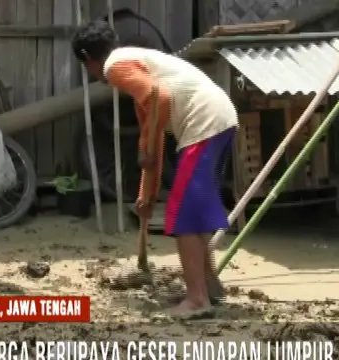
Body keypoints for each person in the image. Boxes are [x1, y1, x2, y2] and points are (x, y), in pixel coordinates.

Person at [73, 20, 238, 318]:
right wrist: (145, 196)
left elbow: (157, 105)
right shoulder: (139, 67)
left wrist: (143, 146)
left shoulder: (115, 65)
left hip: (205, 123)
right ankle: (209, 288)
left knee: (182, 214)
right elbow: (156, 137)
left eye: (86, 66)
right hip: (217, 120)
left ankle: (197, 299)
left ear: (87, 57)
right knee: (195, 214)